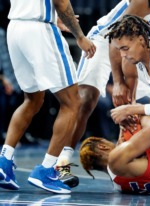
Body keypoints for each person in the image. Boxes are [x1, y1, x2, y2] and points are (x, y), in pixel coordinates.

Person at [59, 0, 150, 185]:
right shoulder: (148, 2)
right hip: (107, 41)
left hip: (140, 50)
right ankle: (61, 164)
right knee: (86, 100)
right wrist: (118, 81)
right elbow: (118, 38)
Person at [0, 0, 96, 194]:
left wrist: (51, 19)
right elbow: (60, 2)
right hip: (39, 31)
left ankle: (4, 161)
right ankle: (46, 169)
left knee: (32, 100)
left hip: (16, 28)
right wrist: (80, 36)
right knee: (72, 102)